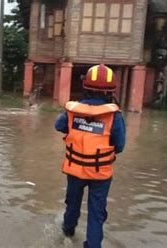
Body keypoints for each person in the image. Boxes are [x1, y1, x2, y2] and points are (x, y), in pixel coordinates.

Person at [54, 64, 126, 248]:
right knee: (96, 212)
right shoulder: (114, 116)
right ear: (111, 91)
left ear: (85, 87)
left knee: (72, 203)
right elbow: (120, 146)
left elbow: (59, 126)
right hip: (100, 174)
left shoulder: (73, 110)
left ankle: (68, 231)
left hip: (75, 169)